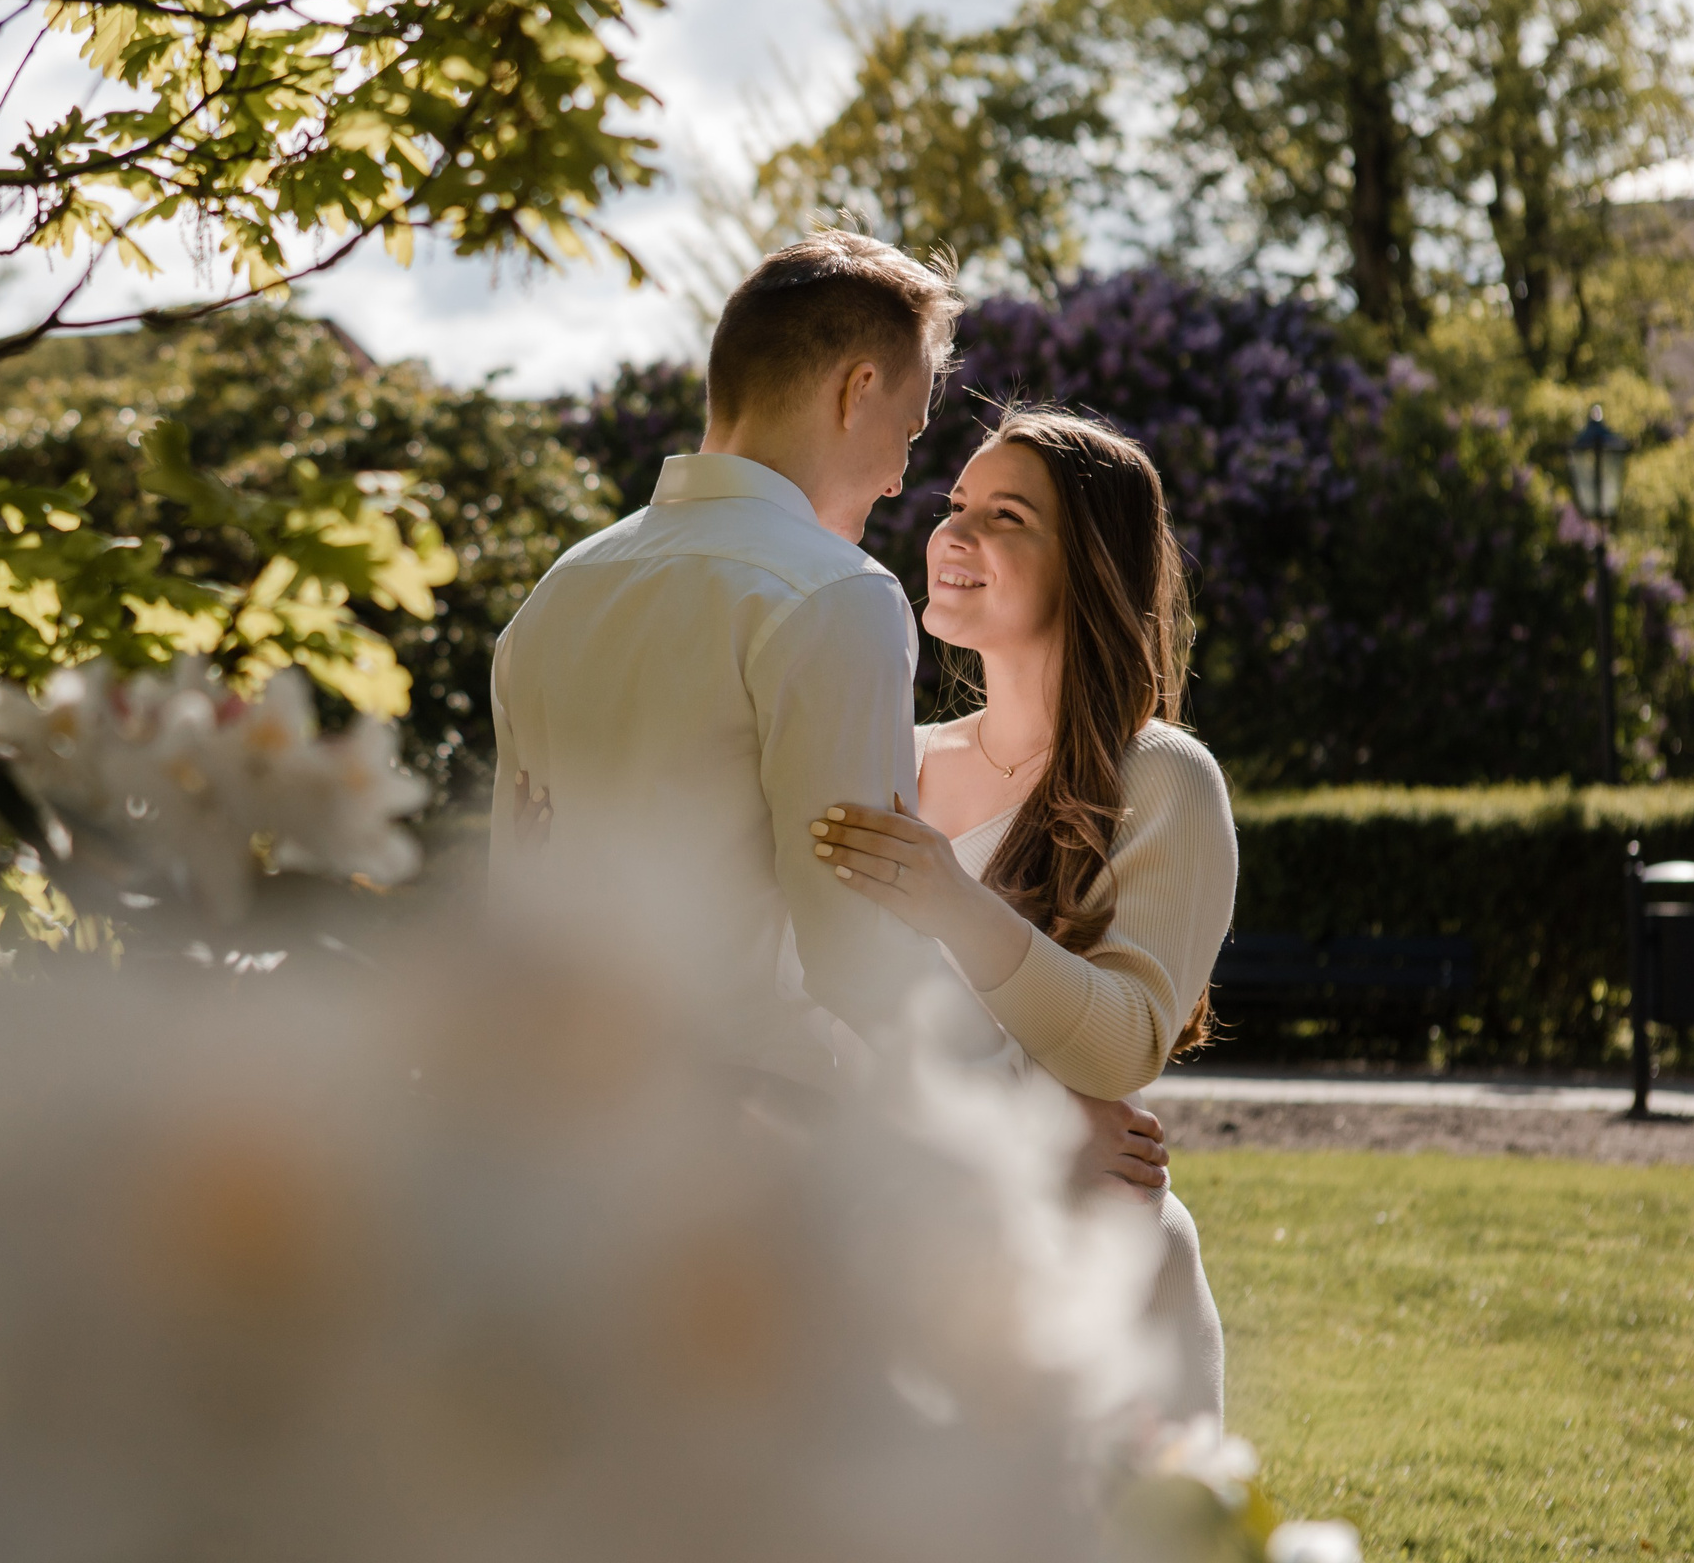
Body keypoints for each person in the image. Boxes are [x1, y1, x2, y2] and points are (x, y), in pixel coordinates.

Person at [487, 231, 1167, 1179]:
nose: (899, 477)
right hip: (741, 1159)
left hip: (546, 1134)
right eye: (912, 429)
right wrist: (1035, 1116)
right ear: (857, 391)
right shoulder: (832, 593)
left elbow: (514, 889)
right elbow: (858, 945)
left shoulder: (559, 592)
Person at [808, 407, 1238, 1422]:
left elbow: (1123, 1045)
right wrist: (1032, 1130)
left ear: (1087, 564)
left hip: (1100, 1283)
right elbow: (824, 1012)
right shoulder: (891, 756)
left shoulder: (1164, 778)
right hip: (901, 1262)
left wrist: (949, 901)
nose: (953, 533)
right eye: (955, 503)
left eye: (1006, 517)